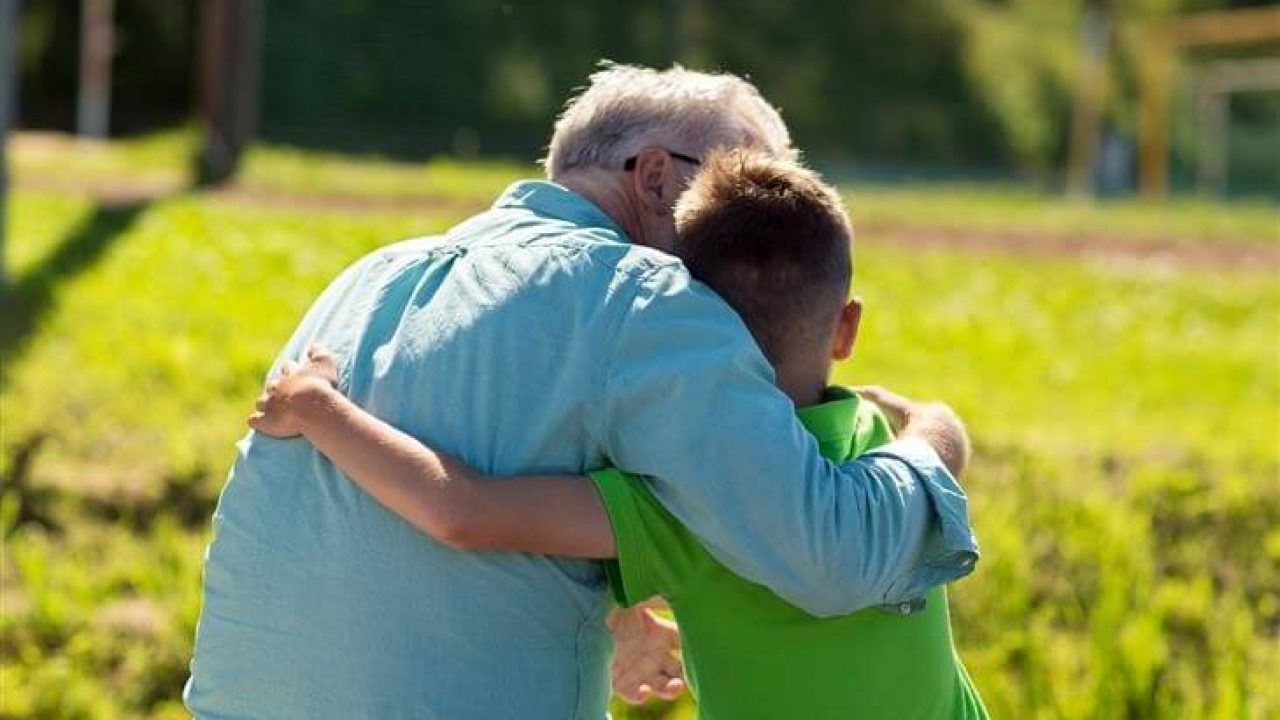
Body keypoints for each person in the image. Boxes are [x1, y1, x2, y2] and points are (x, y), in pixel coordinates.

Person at [185, 64, 977, 719]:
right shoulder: (648, 298)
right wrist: (936, 440)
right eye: (732, 190)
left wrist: (615, 612)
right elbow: (833, 551)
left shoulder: (368, 276)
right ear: (656, 176)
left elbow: (484, 473)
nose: (742, 233)